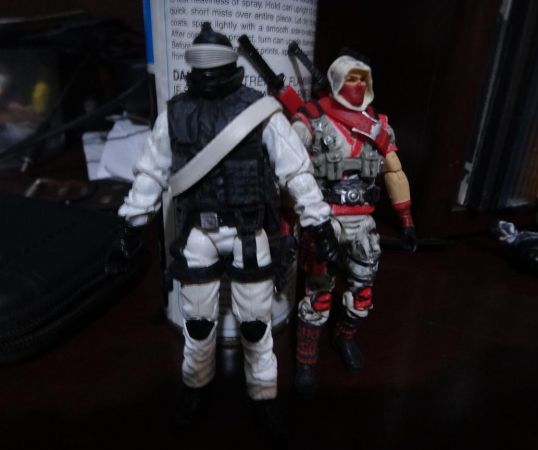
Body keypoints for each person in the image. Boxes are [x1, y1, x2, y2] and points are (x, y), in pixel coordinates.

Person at [117, 23, 338, 422]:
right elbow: (151, 172)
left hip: (248, 232)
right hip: (197, 233)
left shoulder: (260, 112)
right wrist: (131, 224)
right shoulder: (175, 114)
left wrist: (319, 223)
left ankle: (264, 394)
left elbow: (296, 171)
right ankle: (195, 385)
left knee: (255, 324)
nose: (208, 76)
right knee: (199, 324)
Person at [290, 52, 417, 393]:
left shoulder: (378, 124)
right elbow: (289, 173)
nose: (358, 85)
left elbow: (394, 171)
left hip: (363, 222)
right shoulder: (310, 120)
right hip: (324, 221)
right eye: (351, 78)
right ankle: (305, 359)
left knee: (362, 294)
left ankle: (344, 338)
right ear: (336, 81)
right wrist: (289, 226)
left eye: (363, 78)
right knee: (319, 296)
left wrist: (406, 220)